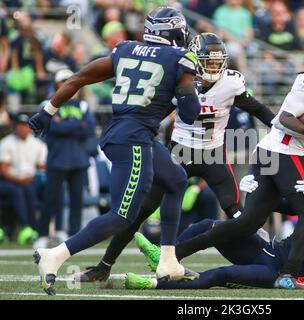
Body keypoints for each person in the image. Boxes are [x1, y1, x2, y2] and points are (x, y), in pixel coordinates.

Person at [73, 32, 275, 283]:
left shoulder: (232, 83)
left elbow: (256, 107)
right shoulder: (180, 76)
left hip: (213, 154)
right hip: (180, 151)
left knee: (236, 212)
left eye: (216, 62)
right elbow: (155, 113)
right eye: (208, 61)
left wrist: (278, 127)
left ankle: (264, 258)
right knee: (141, 210)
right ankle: (104, 265)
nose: (213, 67)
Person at [28, 6, 201, 295]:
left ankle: (169, 261)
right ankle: (55, 255)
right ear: (174, 32)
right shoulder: (178, 59)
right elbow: (191, 113)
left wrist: (47, 111)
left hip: (122, 131)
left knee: (176, 179)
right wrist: (191, 86)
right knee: (122, 215)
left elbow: (78, 78)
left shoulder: (126, 50)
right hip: (133, 139)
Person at [164, 44, 304, 290]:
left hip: (281, 152)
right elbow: (283, 118)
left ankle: (173, 255)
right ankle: (288, 275)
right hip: (282, 150)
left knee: (247, 223)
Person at [124, 180, 304, 290]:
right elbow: (278, 205)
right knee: (209, 226)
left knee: (220, 275)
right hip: (267, 251)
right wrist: (256, 191)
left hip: (280, 273)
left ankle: (156, 283)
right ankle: (166, 255)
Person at [34, 69, 96, 249]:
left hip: (79, 159)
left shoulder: (83, 106)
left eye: (69, 81)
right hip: (57, 158)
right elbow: (53, 127)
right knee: (50, 198)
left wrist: (65, 125)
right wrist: (77, 125)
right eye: (63, 81)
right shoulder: (49, 104)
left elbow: (89, 129)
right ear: (56, 84)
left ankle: (73, 234)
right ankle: (43, 234)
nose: (67, 84)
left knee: (77, 200)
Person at [0, 114, 47, 244]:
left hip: (30, 180)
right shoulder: (6, 143)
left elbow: (42, 166)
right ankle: (26, 227)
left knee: (28, 189)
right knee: (19, 190)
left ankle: (32, 229)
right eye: (20, 125)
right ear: (15, 127)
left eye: (26, 126)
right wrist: (19, 180)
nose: (23, 129)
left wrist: (33, 177)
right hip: (8, 181)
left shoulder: (37, 144)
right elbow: (3, 170)